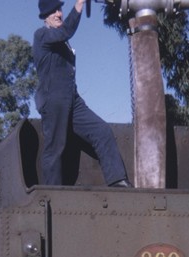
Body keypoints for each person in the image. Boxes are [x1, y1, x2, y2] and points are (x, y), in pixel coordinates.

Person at [33, 0, 131, 187]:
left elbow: (64, 34)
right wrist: (79, 4)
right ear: (45, 16)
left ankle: (118, 181)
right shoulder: (42, 35)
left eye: (59, 9)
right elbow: (65, 31)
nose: (59, 14)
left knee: (101, 131)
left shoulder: (61, 40)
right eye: (53, 11)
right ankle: (52, 193)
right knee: (55, 149)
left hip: (73, 100)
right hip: (53, 101)